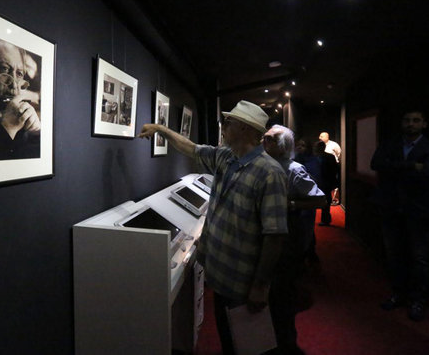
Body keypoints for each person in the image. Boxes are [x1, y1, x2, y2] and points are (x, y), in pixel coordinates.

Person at [138, 100, 288, 355]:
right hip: (221, 274)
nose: (224, 127)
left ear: (246, 130)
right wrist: (161, 129)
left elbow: (274, 235)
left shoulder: (270, 173)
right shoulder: (226, 157)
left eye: (229, 123)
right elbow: (191, 149)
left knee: (247, 343)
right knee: (228, 337)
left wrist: (261, 286)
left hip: (243, 280)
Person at [370, 109, 429, 321]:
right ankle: (398, 294)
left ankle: (417, 299)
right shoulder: (390, 144)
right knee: (394, 255)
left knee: (419, 258)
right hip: (391, 208)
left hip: (419, 211)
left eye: (415, 120)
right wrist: (412, 165)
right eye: (407, 120)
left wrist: (393, 169)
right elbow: (375, 164)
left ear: (424, 124)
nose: (410, 124)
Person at [263, 125, 326, 355]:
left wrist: (290, 204)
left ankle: (285, 345)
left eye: (269, 139)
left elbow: (320, 201)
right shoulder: (261, 166)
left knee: (282, 293)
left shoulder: (295, 170)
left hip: (288, 237)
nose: (263, 142)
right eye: (265, 138)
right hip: (267, 235)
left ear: (282, 146)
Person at [0, 33, 41, 161]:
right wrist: (9, 127)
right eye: (5, 69)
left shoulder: (17, 110)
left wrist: (36, 131)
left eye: (19, 74)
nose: (14, 84)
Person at [313, 141, 339, 226]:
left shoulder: (327, 156)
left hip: (325, 182)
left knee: (326, 201)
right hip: (320, 181)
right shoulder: (318, 156)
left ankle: (325, 219)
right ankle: (325, 219)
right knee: (325, 201)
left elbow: (334, 170)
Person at [319, 132, 341, 204]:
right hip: (323, 167)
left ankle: (334, 199)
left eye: (321, 136)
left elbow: (339, 154)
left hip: (332, 167)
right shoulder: (319, 145)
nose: (319, 137)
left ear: (327, 137)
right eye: (320, 136)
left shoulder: (334, 144)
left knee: (333, 183)